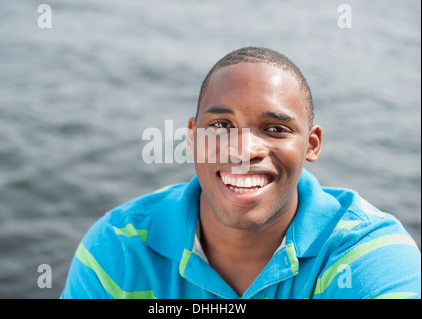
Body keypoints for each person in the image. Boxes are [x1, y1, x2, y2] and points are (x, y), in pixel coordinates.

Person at [61, 47, 421, 299]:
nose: (243, 150)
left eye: (275, 129)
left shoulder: (369, 257)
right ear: (192, 137)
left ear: (311, 144)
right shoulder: (119, 246)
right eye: (220, 125)